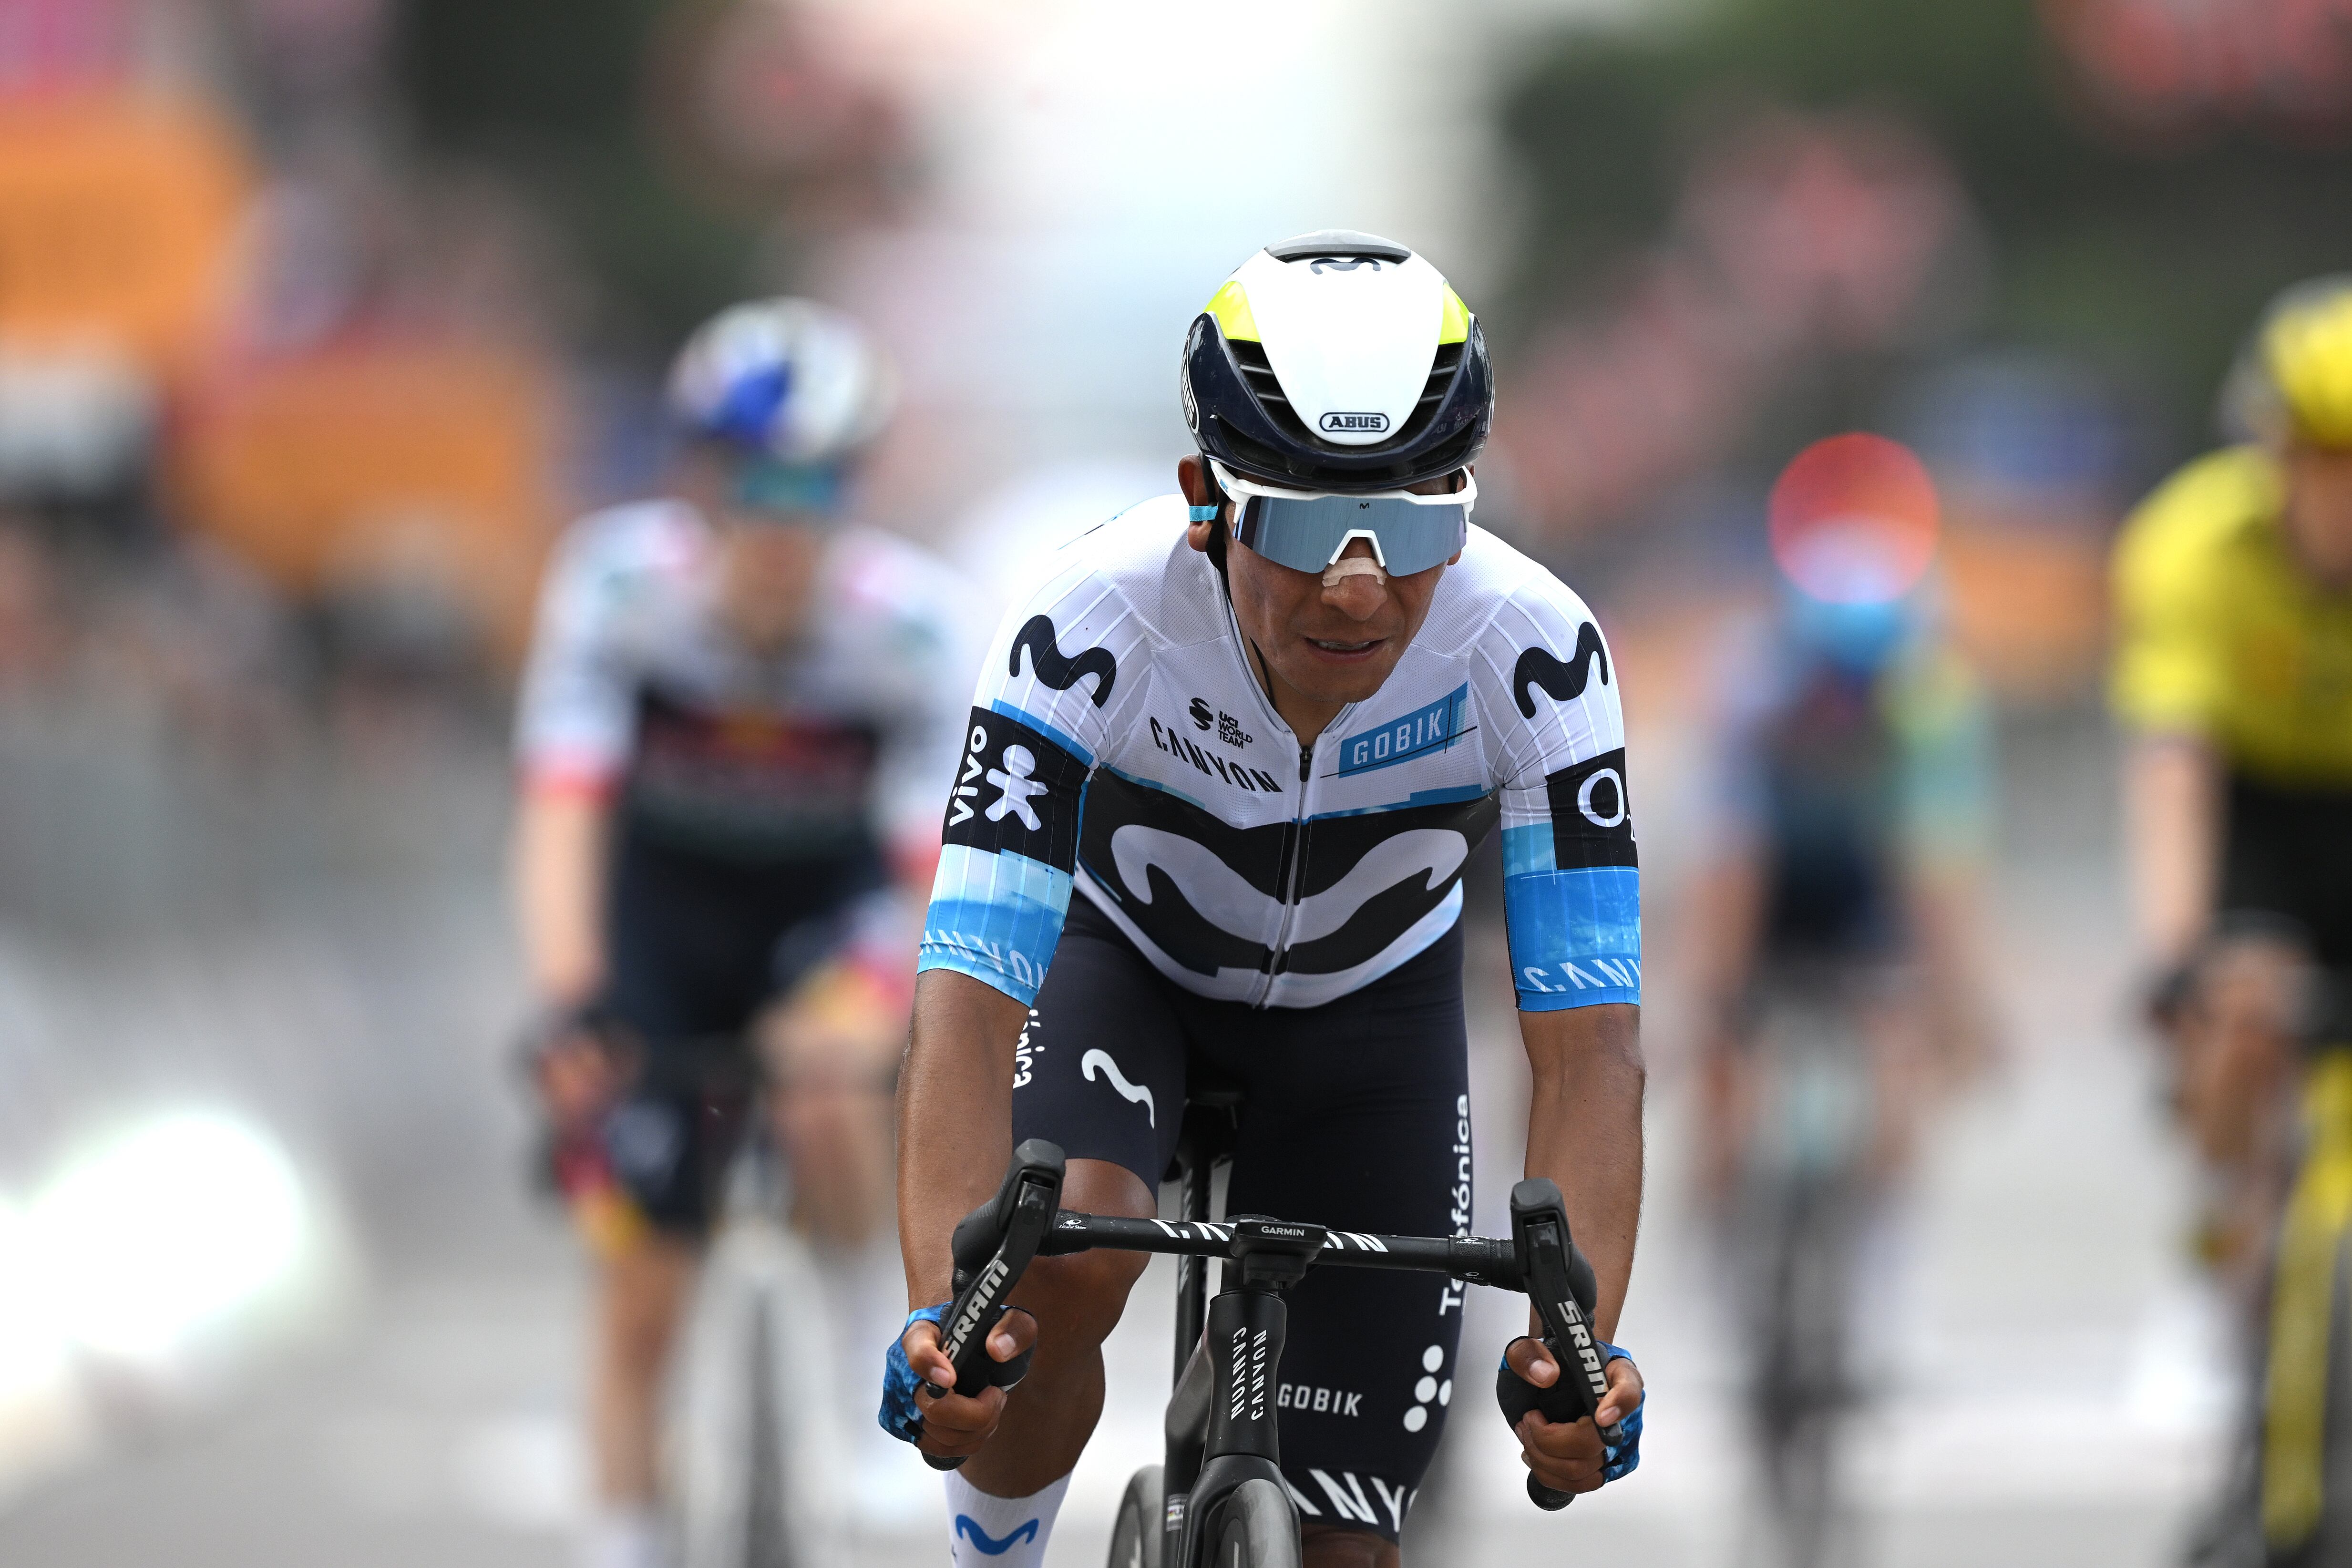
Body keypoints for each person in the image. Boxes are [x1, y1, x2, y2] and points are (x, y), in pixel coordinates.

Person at [879, 232, 1648, 1568]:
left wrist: (1575, 1355)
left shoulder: (1533, 650)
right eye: (1298, 524)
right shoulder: (1088, 619)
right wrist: (942, 1321)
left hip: (1368, 1023)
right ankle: (992, 1549)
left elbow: (1589, 1046)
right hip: (1122, 971)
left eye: (1409, 526)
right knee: (1046, 1278)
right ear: (1205, 497)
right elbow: (966, 999)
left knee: (1348, 1551)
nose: (1356, 584)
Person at [511, 298, 972, 1568]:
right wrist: (570, 997)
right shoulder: (615, 588)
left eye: (816, 486)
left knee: (827, 1083)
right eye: (754, 483)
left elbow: (932, 871)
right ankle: (623, 1533)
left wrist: (897, 1019)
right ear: (699, 480)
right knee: (641, 1291)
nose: (783, 519)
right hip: (660, 923)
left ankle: (861, 1346)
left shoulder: (915, 625)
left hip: (826, 911)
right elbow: (561, 808)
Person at [1687, 512, 1997, 1565]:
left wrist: (1954, 1010)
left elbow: (1936, 873)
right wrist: (1715, 1017)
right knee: (1724, 1076)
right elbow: (1728, 871)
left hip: (1863, 899)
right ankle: (1724, 1243)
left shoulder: (1928, 707)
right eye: (1831, 682)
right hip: (1772, 896)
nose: (1843, 704)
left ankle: (1873, 1287)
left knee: (1899, 1060)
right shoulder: (1751, 692)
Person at [2110, 276, 2352, 1566]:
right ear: (2275, 456)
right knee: (2243, 1006)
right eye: (2323, 462)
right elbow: (2173, 765)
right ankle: (2219, 1248)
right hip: (2257, 813)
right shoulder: (2190, 545)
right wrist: (2177, 958)